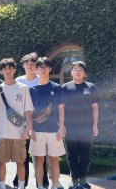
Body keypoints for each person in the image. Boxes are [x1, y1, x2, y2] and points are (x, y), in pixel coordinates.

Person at [0, 58, 34, 189]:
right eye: (5, 68)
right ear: (1, 71)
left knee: (21, 162)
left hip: (19, 132)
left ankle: (21, 186)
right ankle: (2, 186)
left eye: (10, 67)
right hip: (2, 131)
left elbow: (28, 111)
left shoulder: (23, 88)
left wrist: (28, 129)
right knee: (1, 161)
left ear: (15, 70)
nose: (8, 70)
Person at [28, 57, 66, 189]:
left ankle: (55, 186)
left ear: (50, 69)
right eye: (40, 67)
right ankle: (40, 186)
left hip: (53, 130)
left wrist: (62, 127)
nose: (43, 69)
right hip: (37, 130)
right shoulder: (32, 90)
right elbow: (29, 112)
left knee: (54, 161)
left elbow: (61, 108)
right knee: (39, 161)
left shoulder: (57, 88)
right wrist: (30, 129)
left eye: (46, 67)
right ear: (36, 70)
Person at [15, 52, 50, 189]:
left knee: (41, 156)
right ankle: (20, 182)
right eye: (27, 63)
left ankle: (42, 183)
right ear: (23, 65)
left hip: (40, 122)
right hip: (22, 123)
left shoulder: (41, 80)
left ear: (36, 66)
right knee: (22, 155)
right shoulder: (18, 81)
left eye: (33, 63)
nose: (30, 66)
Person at [61, 61, 99, 189]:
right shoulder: (65, 87)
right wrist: (62, 125)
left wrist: (95, 125)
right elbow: (61, 108)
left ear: (84, 73)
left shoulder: (90, 86)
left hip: (86, 127)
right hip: (70, 127)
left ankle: (83, 180)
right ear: (71, 72)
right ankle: (74, 180)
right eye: (75, 69)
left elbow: (95, 107)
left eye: (80, 69)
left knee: (85, 154)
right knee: (71, 154)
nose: (78, 71)